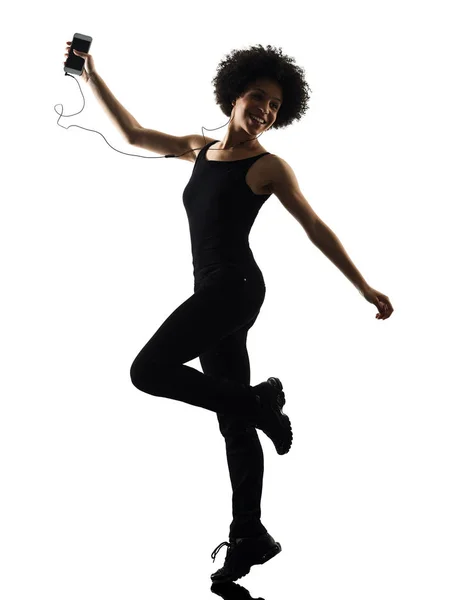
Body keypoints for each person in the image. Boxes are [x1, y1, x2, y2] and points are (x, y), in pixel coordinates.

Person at [65, 42, 394, 585]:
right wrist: (92, 75)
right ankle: (249, 534)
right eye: (258, 98)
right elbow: (132, 134)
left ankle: (261, 401)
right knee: (235, 426)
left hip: (236, 289)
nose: (264, 111)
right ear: (235, 95)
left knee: (147, 372)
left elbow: (314, 227)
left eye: (275, 108)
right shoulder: (198, 149)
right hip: (216, 289)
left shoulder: (269, 167)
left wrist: (363, 285)